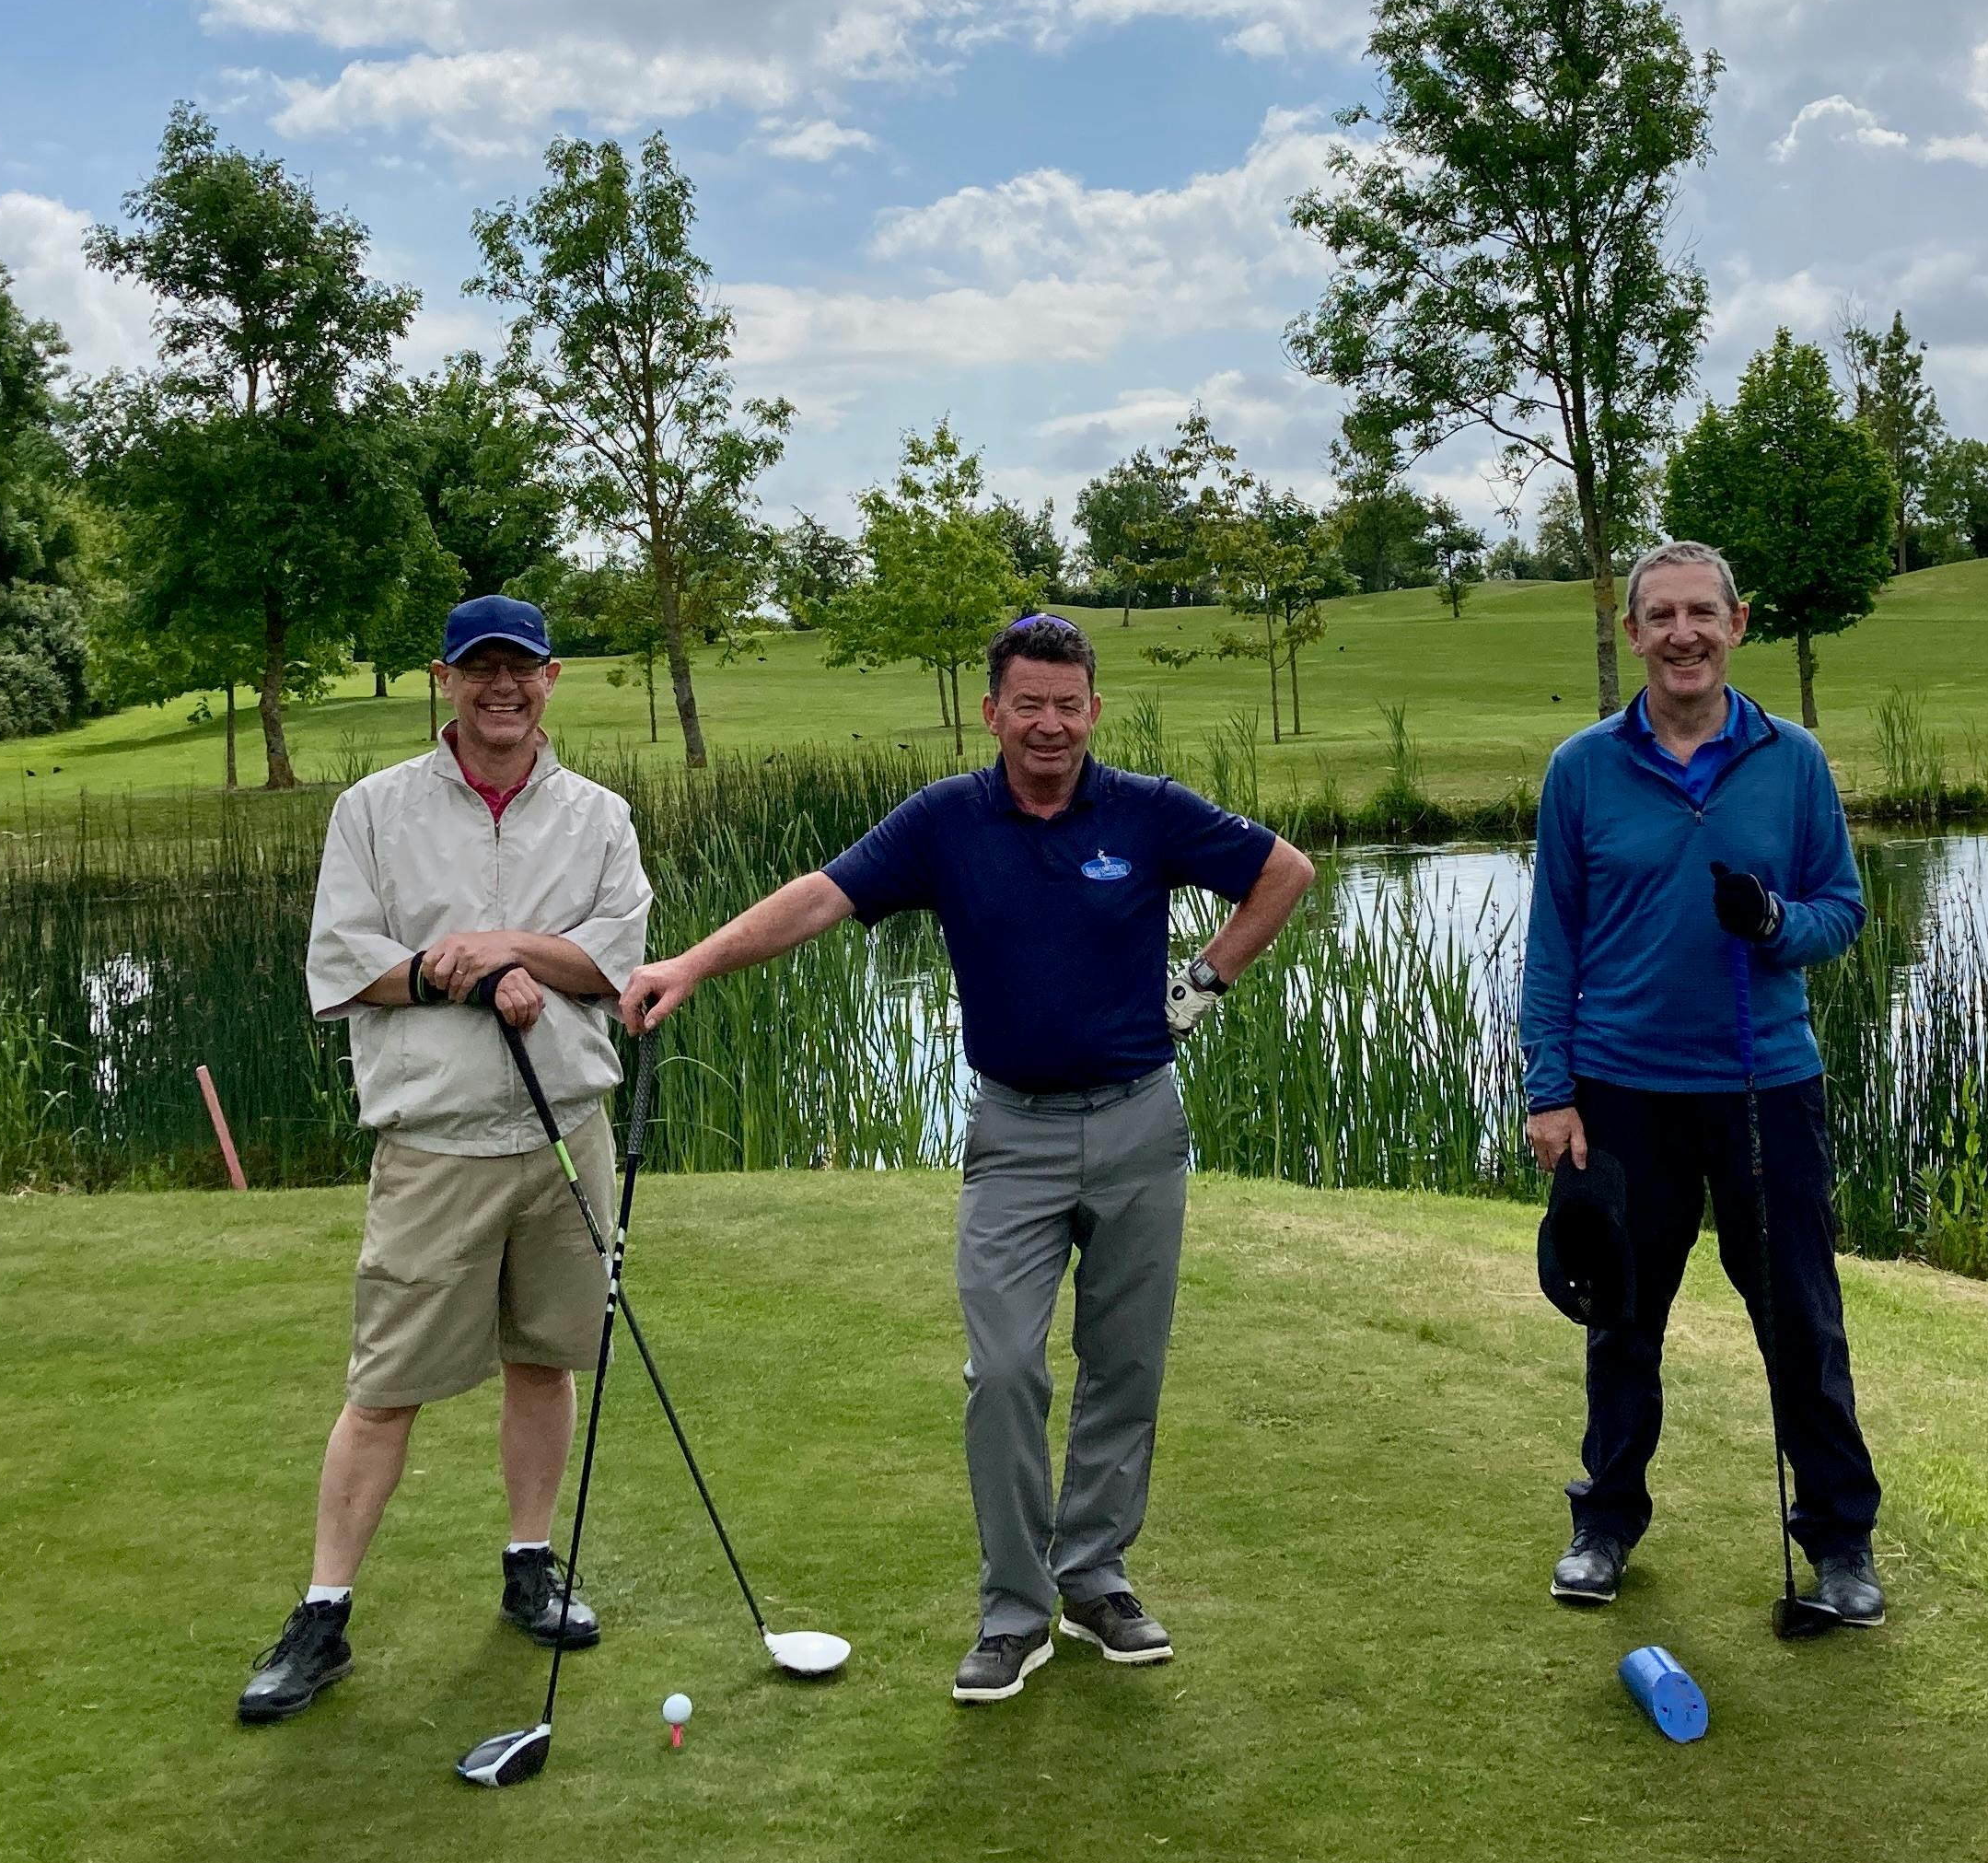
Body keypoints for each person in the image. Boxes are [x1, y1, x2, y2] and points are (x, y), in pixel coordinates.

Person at [621, 612, 1315, 1702]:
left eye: (1068, 702)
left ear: (1095, 707)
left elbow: (1285, 870)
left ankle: (1093, 1579)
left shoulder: (1148, 810)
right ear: (990, 712)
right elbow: (822, 895)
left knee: (1125, 1365)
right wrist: (696, 962)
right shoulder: (947, 820)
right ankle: (1014, 1609)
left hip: (1141, 1122)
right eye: (1027, 704)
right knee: (1003, 1370)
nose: (1049, 724)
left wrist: (1204, 982)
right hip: (1016, 1134)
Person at [237, 594, 656, 1724]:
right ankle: (322, 1615)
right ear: (444, 679)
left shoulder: (599, 816)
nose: (502, 688)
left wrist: (507, 947)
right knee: (386, 1387)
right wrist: (450, 973)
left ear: (552, 680)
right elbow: (343, 963)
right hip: (435, 1143)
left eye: (521, 668)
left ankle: (530, 1563)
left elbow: (614, 962)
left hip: (566, 1130)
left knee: (547, 1358)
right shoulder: (373, 812)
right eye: (480, 670)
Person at [1521, 542, 1886, 1627]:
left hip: (1766, 1087)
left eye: (1703, 615)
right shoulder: (1582, 769)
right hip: (1623, 1088)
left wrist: (1776, 923)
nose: (1683, 634)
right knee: (1621, 1321)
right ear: (1632, 634)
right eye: (1661, 616)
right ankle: (1606, 1522)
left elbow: (1842, 911)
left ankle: (1840, 1542)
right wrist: (1551, 1090)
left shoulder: (1793, 760)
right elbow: (1554, 944)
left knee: (1801, 1323)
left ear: (1737, 625)